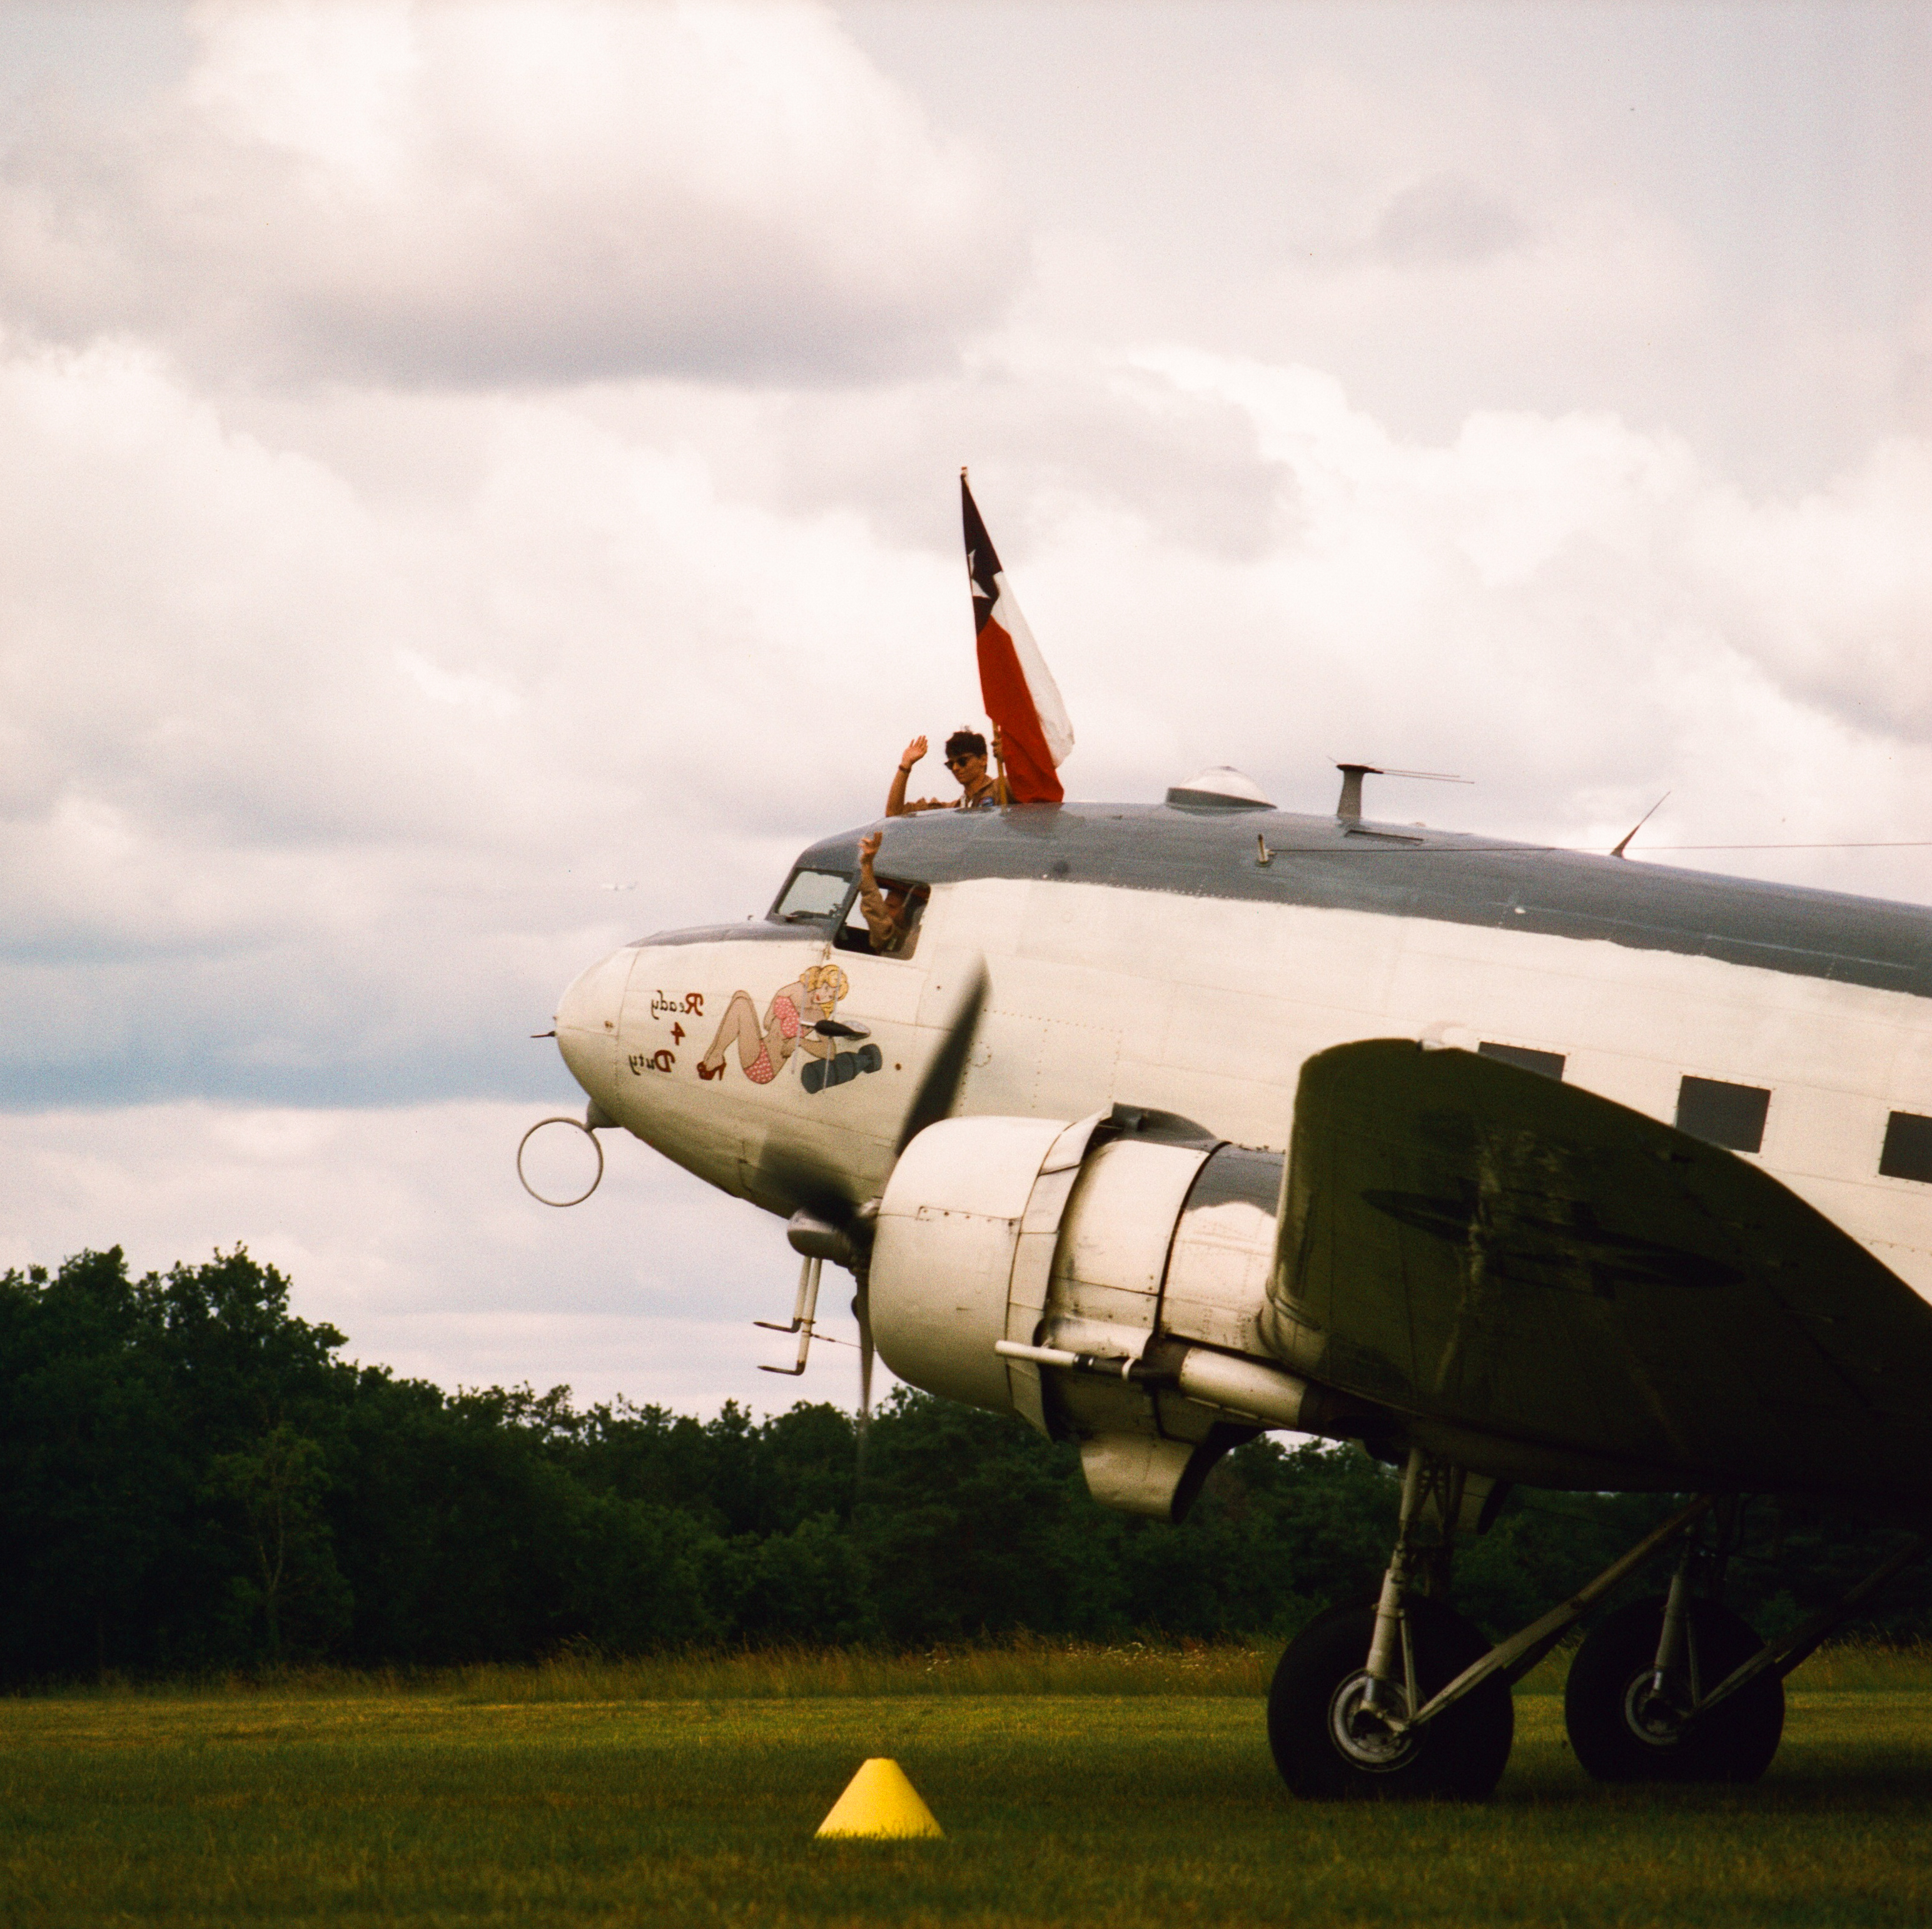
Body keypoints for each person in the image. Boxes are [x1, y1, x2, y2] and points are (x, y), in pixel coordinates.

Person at [884, 728, 1002, 817]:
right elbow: (894, 814)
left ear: (983, 760)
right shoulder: (953, 810)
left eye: (962, 761)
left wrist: (1011, 754)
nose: (955, 768)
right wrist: (905, 766)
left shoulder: (1001, 789)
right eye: (950, 764)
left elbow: (1021, 782)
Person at [855, 832, 922, 954]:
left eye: (891, 906)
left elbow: (875, 909)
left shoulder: (904, 938)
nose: (884, 910)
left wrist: (867, 865)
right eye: (885, 904)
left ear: (906, 912)